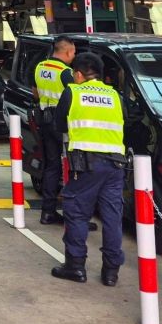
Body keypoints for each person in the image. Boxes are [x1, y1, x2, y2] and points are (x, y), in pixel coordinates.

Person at [51, 52, 126, 286]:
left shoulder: (73, 92)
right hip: (116, 165)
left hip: (86, 165)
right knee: (112, 218)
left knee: (77, 214)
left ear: (79, 74)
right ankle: (111, 272)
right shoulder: (115, 95)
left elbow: (59, 124)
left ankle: (75, 267)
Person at [32, 37, 99, 230]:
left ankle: (48, 212)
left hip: (45, 121)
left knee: (52, 166)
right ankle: (75, 217)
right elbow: (81, 98)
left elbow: (35, 94)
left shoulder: (40, 67)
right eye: (74, 53)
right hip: (63, 124)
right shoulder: (65, 73)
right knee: (75, 167)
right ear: (68, 52)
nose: (74, 56)